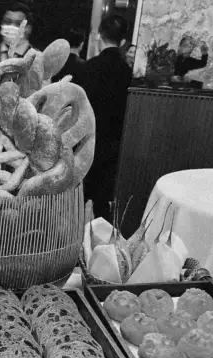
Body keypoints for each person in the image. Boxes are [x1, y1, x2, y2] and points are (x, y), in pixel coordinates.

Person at [79, 14, 133, 220]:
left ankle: (74, 239)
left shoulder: (91, 66)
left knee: (82, 193)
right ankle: (102, 240)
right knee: (104, 197)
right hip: (115, 139)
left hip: (90, 138)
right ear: (122, 40)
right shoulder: (126, 70)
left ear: (99, 35)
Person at [0, 3, 36, 69]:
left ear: (29, 28)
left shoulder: (38, 57)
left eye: (19, 24)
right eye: (7, 22)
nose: (11, 27)